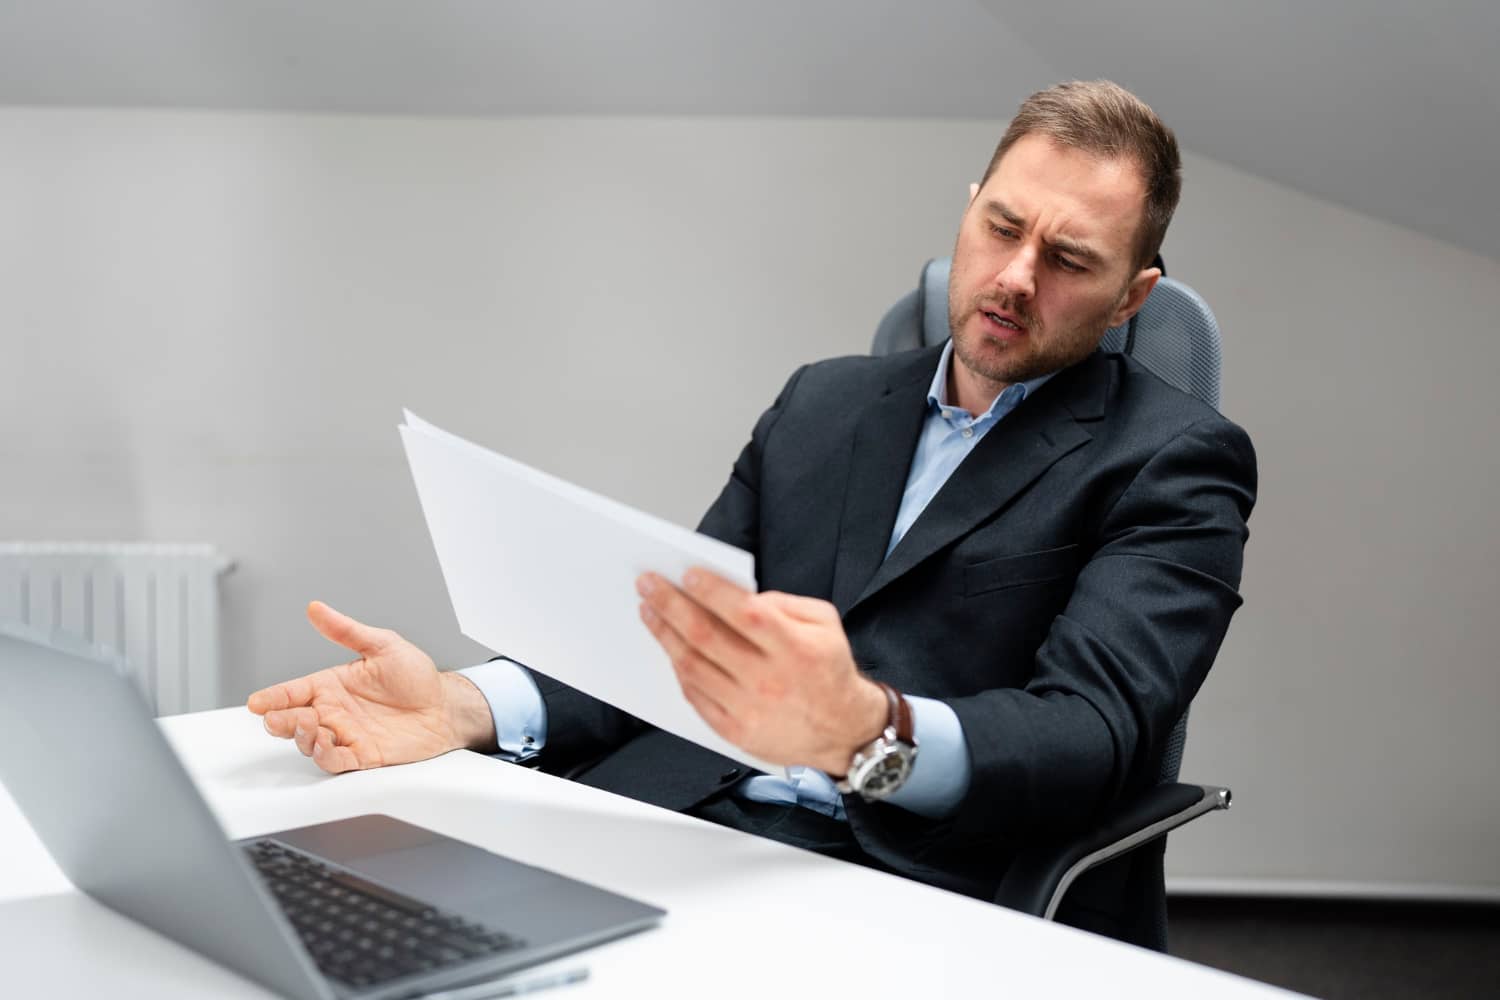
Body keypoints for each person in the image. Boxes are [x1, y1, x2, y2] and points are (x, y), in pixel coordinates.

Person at [249, 80, 1256, 946]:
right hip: (687, 823)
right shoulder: (824, 402)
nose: (1015, 277)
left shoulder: (1174, 460)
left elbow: (1092, 732)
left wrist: (871, 730)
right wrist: (462, 708)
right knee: (361, 921)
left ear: (1133, 297)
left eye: (1071, 259)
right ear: (968, 210)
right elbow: (672, 641)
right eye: (1002, 226)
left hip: (915, 879)